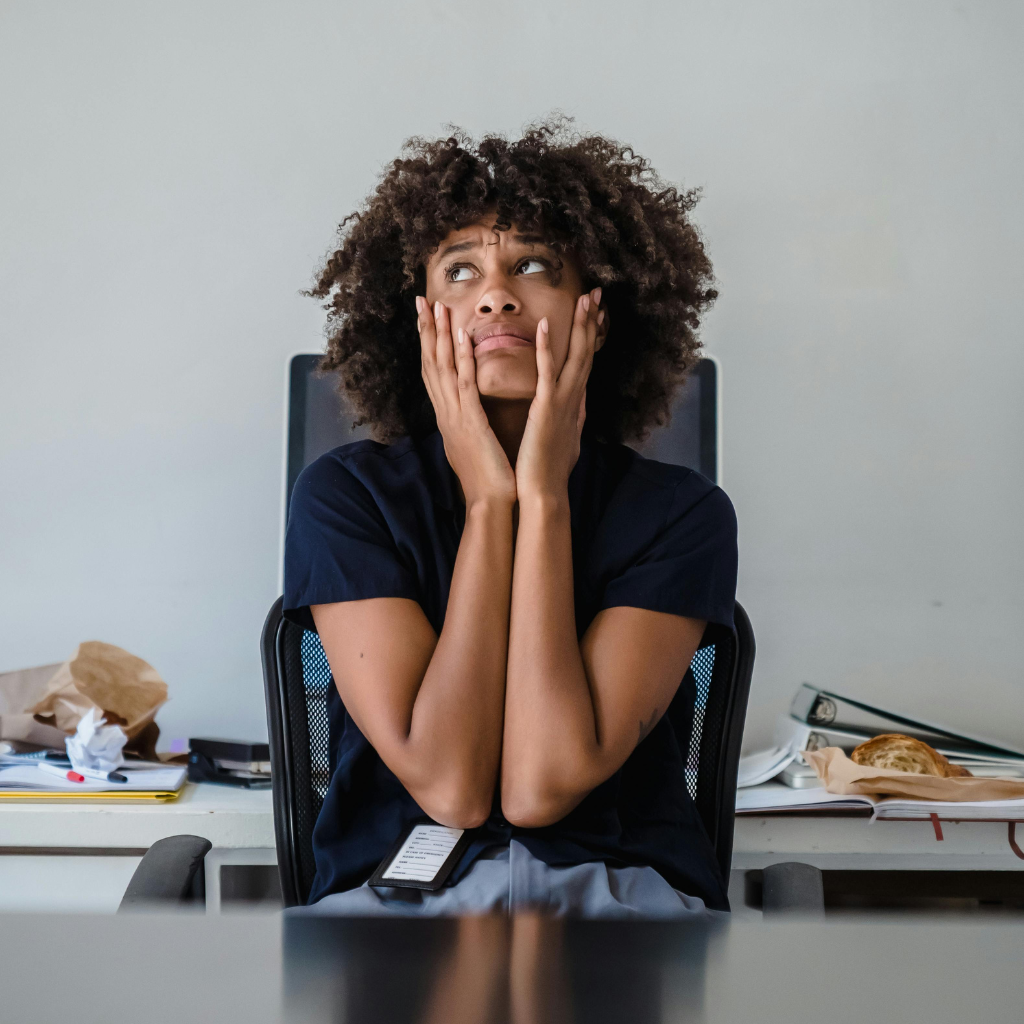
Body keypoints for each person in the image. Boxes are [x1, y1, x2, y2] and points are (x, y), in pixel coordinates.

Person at [283, 120, 737, 917]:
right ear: (416, 315)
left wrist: (545, 498)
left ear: (598, 310)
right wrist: (493, 503)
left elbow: (541, 785)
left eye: (532, 264)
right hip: (396, 906)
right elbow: (453, 789)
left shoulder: (682, 514)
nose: (496, 293)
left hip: (618, 901)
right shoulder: (345, 498)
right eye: (460, 271)